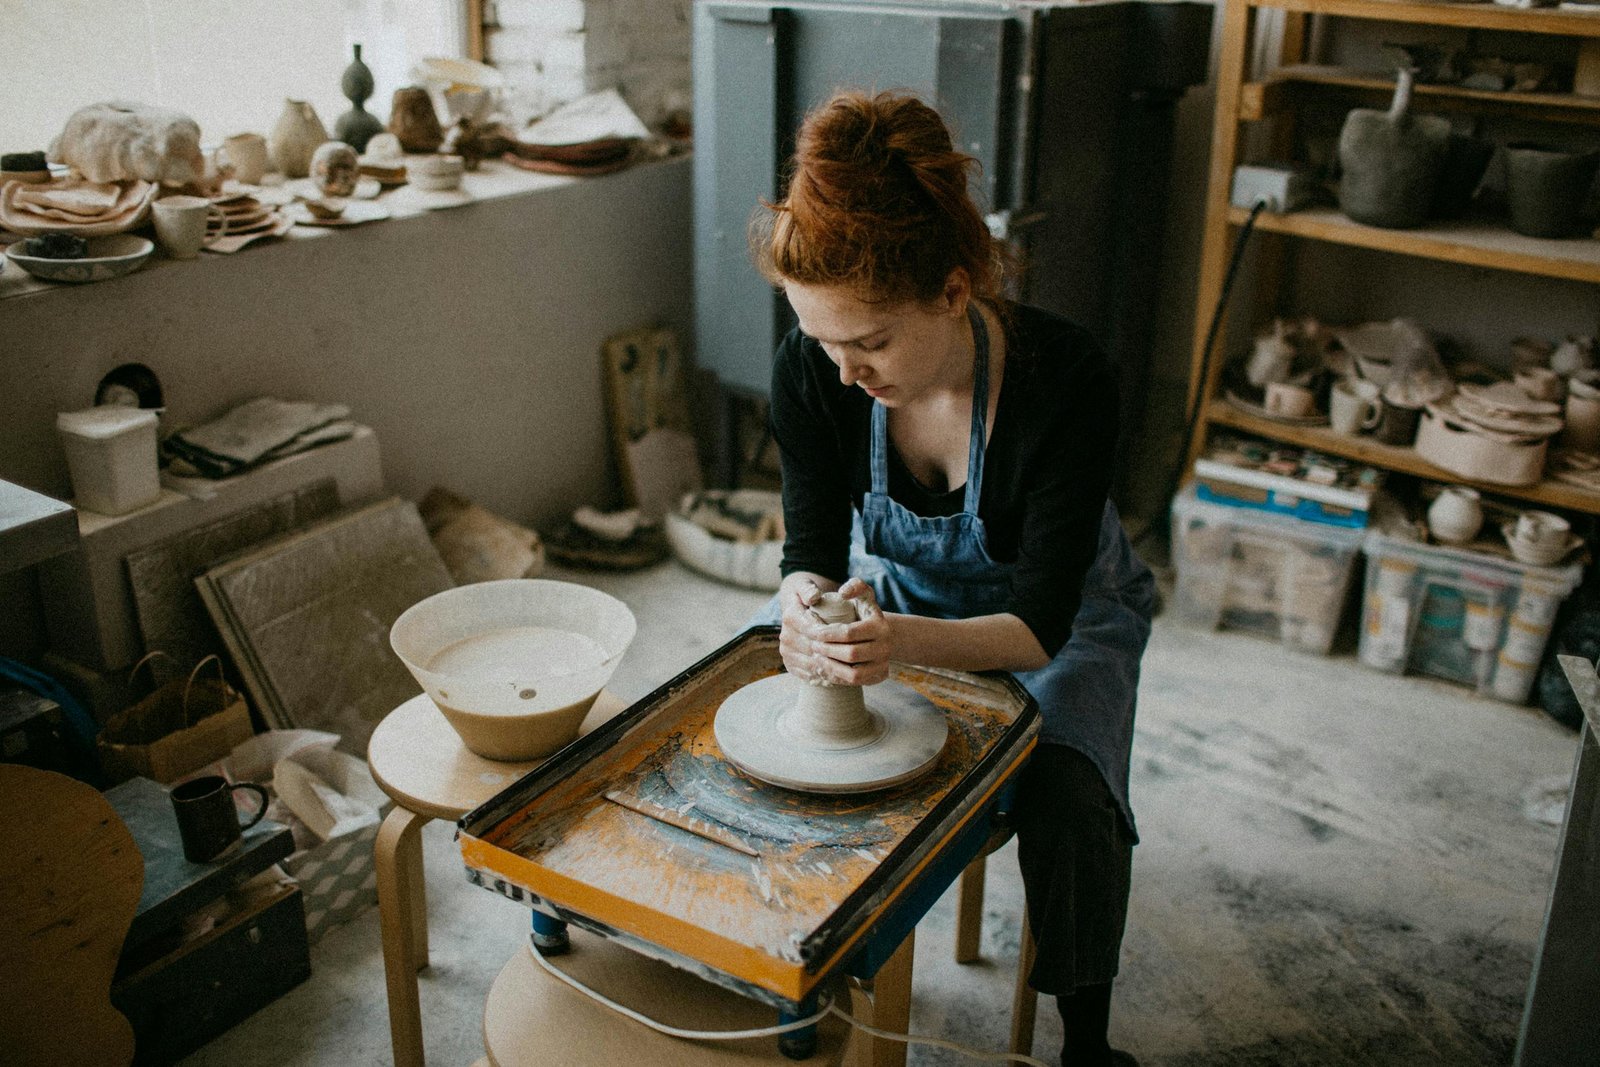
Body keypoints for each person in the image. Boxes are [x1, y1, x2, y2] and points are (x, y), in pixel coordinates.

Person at [746, 90, 1157, 1067]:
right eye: (821, 339)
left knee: (1065, 794)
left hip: (1061, 615)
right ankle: (776, 958)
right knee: (752, 710)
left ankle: (1085, 1041)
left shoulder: (1067, 377)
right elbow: (810, 545)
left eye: (870, 342)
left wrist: (891, 646)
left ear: (953, 289)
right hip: (897, 591)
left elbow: (1039, 625)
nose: (844, 372)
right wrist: (807, 610)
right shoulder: (813, 374)